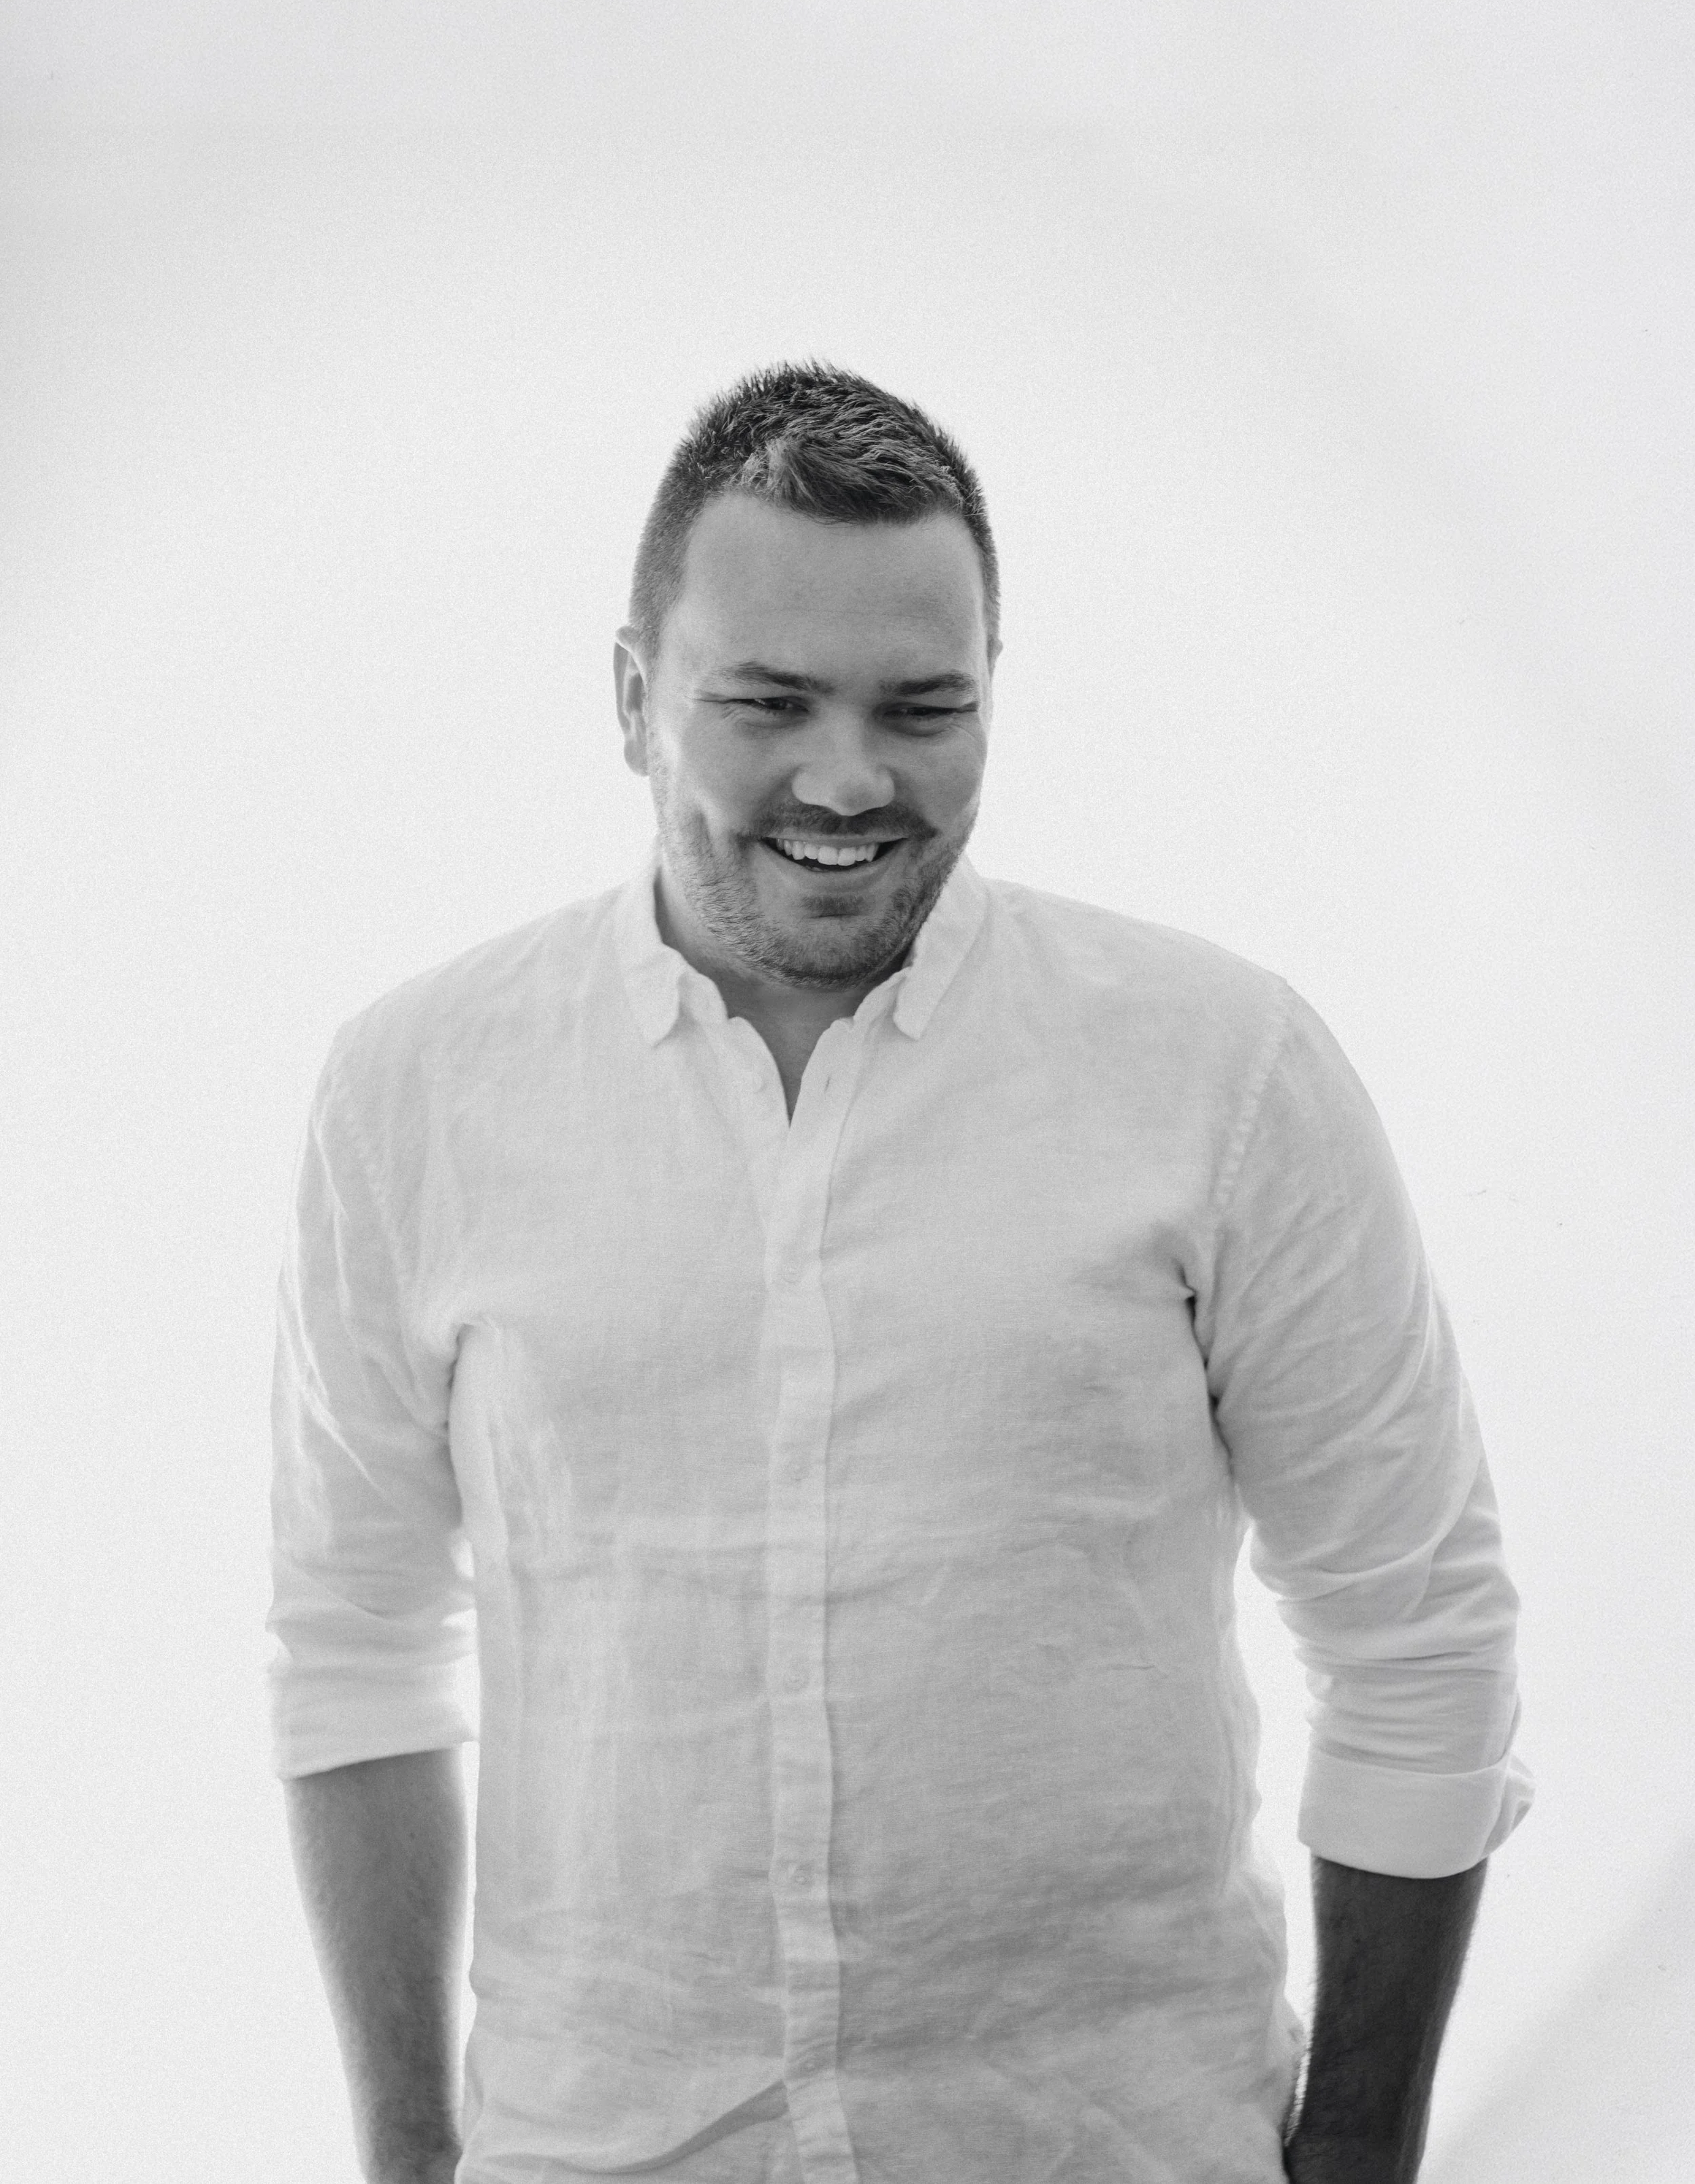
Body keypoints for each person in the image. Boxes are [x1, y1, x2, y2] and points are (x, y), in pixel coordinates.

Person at [268, 361, 1532, 2184]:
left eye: (922, 707)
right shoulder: (411, 1089)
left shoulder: (1220, 1067)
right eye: (765, 703)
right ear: (632, 698)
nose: (848, 779)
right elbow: (356, 1655)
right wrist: (407, 2156)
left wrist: (1351, 2165)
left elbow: (1419, 1639)